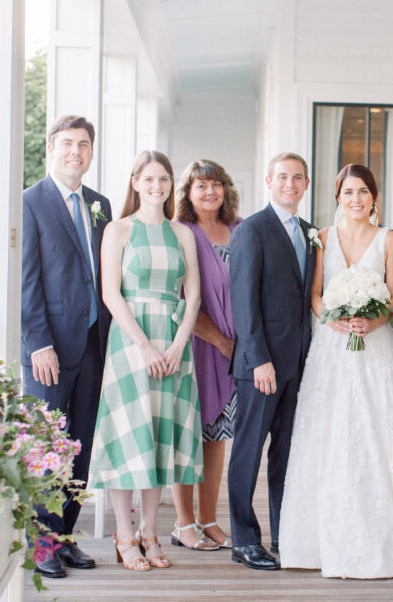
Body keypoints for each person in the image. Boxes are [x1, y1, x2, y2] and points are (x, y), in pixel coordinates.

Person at [279, 164, 393, 579]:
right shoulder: (323, 239)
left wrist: (372, 321)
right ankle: (314, 542)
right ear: (337, 197)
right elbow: (314, 295)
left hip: (375, 349)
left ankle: (390, 541)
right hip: (331, 349)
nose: (355, 199)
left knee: (377, 432)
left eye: (363, 192)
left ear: (374, 197)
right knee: (327, 434)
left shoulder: (389, 240)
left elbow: (392, 295)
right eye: (348, 192)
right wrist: (331, 318)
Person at [87, 151, 203, 572]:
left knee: (159, 440)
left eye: (165, 179)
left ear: (172, 185)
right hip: (132, 342)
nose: (158, 186)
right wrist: (145, 347)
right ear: (134, 182)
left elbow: (195, 296)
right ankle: (123, 534)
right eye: (149, 179)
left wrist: (175, 347)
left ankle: (151, 532)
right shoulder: (118, 230)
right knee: (128, 437)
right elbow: (111, 294)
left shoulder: (182, 233)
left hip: (173, 341)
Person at [20, 115, 112, 578]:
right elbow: (26, 280)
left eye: (83, 144)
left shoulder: (100, 204)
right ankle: (40, 546)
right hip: (49, 350)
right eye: (67, 143)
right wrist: (38, 343)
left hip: (94, 344)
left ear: (92, 152)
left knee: (79, 447)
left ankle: (65, 537)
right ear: (51, 148)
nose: (76, 151)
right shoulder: (28, 203)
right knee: (47, 447)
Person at [228, 152, 317, 571]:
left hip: (299, 365)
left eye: (298, 178)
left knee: (286, 452)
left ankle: (284, 531)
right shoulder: (252, 230)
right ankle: (244, 539)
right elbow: (243, 303)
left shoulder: (311, 233)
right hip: (260, 365)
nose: (290, 184)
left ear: (306, 183)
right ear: (269, 180)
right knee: (248, 451)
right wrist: (258, 358)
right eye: (283, 177)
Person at [169, 160, 242, 551]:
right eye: (201, 186)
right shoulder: (180, 232)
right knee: (188, 433)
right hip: (194, 343)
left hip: (233, 347)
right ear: (187, 193)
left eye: (216, 184)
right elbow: (179, 299)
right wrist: (218, 340)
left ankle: (209, 519)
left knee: (216, 437)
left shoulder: (240, 229)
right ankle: (183, 524)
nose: (210, 192)